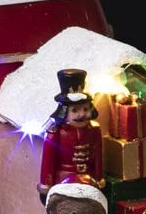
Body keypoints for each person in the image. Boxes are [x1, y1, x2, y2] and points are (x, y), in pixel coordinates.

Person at [38, 68, 105, 202]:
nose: (81, 114)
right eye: (75, 110)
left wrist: (98, 178)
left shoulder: (94, 130)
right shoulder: (55, 132)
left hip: (89, 179)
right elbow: (48, 160)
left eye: (85, 109)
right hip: (63, 181)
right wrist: (46, 184)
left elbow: (97, 156)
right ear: (64, 112)